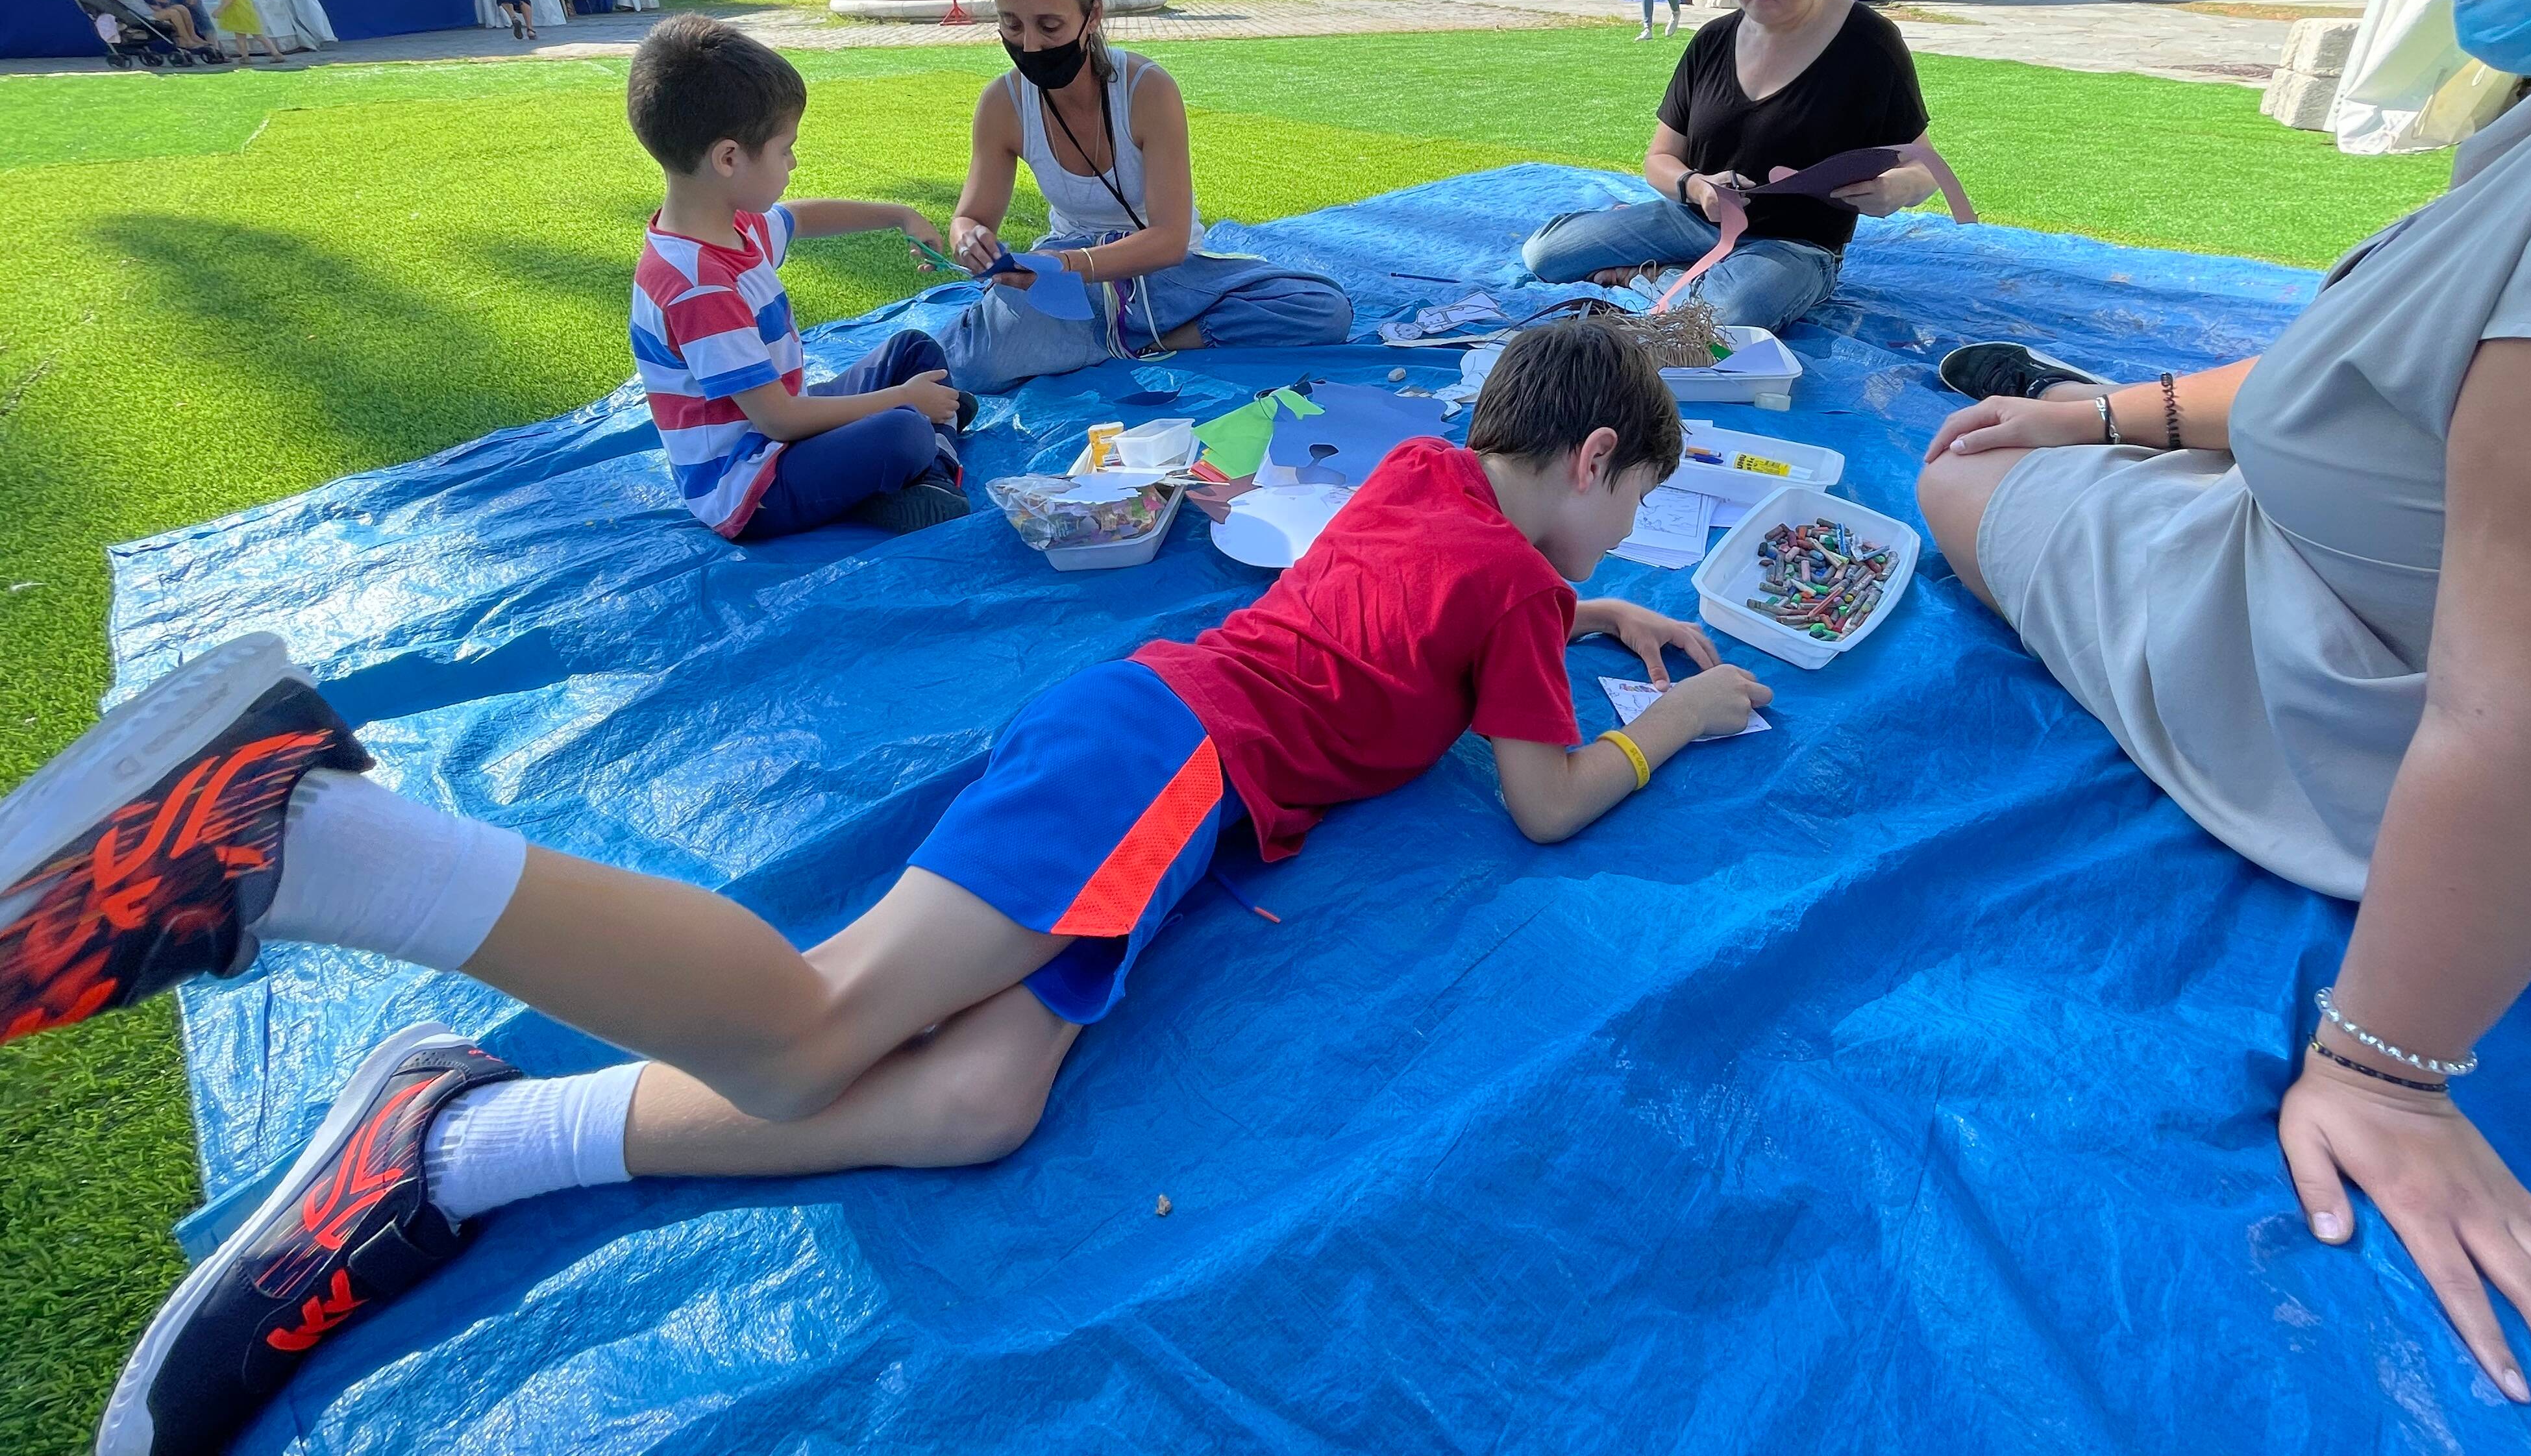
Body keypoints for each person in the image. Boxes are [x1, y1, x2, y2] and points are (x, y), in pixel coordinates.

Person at [0, 319, 1766, 1452]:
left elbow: (1427, 599)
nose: (1614, 555)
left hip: (1155, 771)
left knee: (979, 1104)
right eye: (1628, 513)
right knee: (818, 1030)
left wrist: (1586, 605)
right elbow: (1543, 800)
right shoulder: (1519, 595)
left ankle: (456, 1149)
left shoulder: (1422, 477)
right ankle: (323, 844)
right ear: (1599, 463)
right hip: (1161, 763)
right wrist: (1673, 711)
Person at [1915, 0, 2531, 1421]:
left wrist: (2387, 1067)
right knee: (2016, 444)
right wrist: (2117, 411)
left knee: (1950, 487)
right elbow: (2378, 377)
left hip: (2355, 670)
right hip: (2338, 555)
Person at [937, 0, 1353, 392]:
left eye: (1049, 26)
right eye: (1011, 24)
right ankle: (1121, 335)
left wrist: (1067, 268)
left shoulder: (1147, 91)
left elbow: (1170, 239)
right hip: (1069, 276)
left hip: (1162, 276)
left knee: (1324, 310)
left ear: (1092, 16)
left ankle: (1133, 339)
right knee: (966, 364)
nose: (1029, 45)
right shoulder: (1002, 104)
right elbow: (971, 217)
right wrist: (968, 239)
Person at [1520, 0, 1947, 333]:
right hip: (1694, 221)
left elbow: (1926, 165)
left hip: (1793, 246)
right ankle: (1672, 276)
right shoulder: (1714, 40)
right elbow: (1660, 158)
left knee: (1722, 319)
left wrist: (1896, 190)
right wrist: (1697, 188)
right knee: (1546, 255)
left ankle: (1657, 277)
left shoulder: (1869, 44)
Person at [629, 14, 974, 539]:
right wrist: (903, 400)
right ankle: (927, 468)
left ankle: (920, 459)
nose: (793, 161)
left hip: (782, 433)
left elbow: (801, 218)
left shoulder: (732, 228)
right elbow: (779, 421)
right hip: (751, 483)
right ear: (728, 158)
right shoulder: (699, 284)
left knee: (912, 350)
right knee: (904, 429)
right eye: (785, 147)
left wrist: (897, 214)